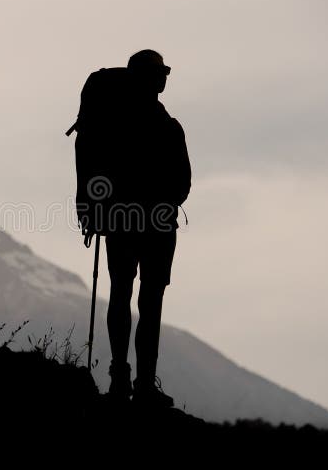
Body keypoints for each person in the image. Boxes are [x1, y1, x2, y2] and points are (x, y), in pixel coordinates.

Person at [104, 49, 191, 407]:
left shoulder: (111, 124)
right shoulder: (168, 127)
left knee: (121, 293)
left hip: (120, 221)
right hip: (156, 225)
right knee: (150, 300)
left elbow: (101, 174)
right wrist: (162, 205)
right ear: (147, 76)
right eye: (161, 71)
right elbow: (183, 183)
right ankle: (142, 384)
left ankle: (120, 380)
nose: (165, 76)